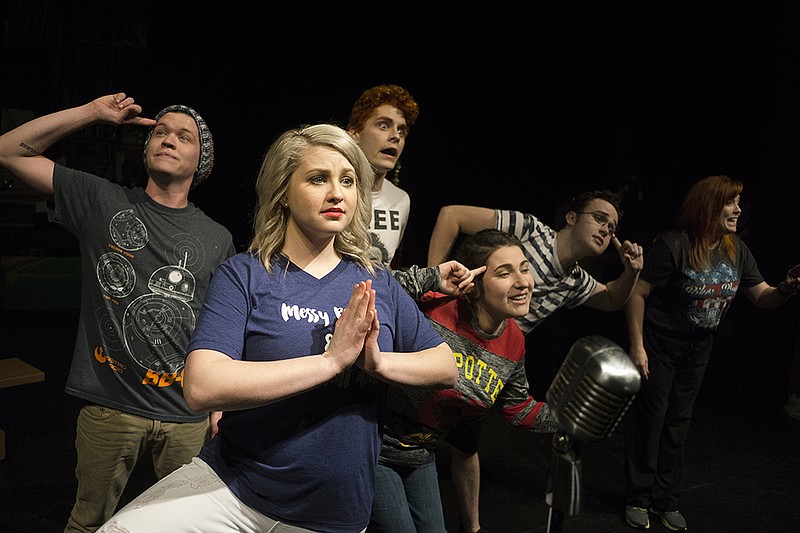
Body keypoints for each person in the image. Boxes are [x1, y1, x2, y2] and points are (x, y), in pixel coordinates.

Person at [96, 123, 458, 533]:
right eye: (318, 179)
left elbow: (445, 366)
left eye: (348, 180)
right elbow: (202, 386)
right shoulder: (246, 274)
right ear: (283, 191)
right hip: (232, 488)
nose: (337, 193)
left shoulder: (376, 281)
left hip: (330, 515)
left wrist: (377, 363)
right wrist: (331, 362)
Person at [0, 93, 235, 533]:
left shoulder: (217, 236)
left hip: (185, 414)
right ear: (144, 148)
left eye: (184, 136)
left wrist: (218, 406)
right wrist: (92, 114)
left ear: (202, 160)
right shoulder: (101, 200)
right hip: (111, 408)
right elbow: (8, 150)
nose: (168, 139)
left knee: (185, 525)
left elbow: (219, 325)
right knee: (88, 522)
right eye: (160, 132)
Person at [426, 190, 644, 533]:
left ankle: (471, 527)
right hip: (453, 335)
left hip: (493, 362)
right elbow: (452, 213)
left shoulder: (575, 281)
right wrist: (434, 287)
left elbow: (615, 298)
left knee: (465, 444)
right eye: (599, 218)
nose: (606, 230)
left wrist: (631, 271)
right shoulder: (528, 230)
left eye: (613, 227)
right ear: (571, 217)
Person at [622, 175, 800, 531]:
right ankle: (638, 497)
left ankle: (666, 499)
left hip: (698, 347)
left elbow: (762, 296)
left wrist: (786, 288)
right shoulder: (674, 245)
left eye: (739, 202)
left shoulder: (736, 249)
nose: (737, 209)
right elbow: (636, 295)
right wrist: (637, 345)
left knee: (679, 422)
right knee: (652, 418)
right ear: (708, 205)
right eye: (730, 202)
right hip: (661, 343)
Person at [368, 229, 559, 532]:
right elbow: (375, 286)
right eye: (505, 273)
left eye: (524, 269)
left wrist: (572, 419)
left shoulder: (514, 341)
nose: (523, 282)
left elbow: (518, 408)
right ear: (477, 283)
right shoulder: (435, 306)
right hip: (374, 448)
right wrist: (434, 277)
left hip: (420, 455)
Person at [347, 84, 419, 269]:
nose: (396, 136)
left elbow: (386, 267)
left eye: (401, 130)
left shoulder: (401, 200)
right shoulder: (336, 193)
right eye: (384, 125)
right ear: (354, 134)